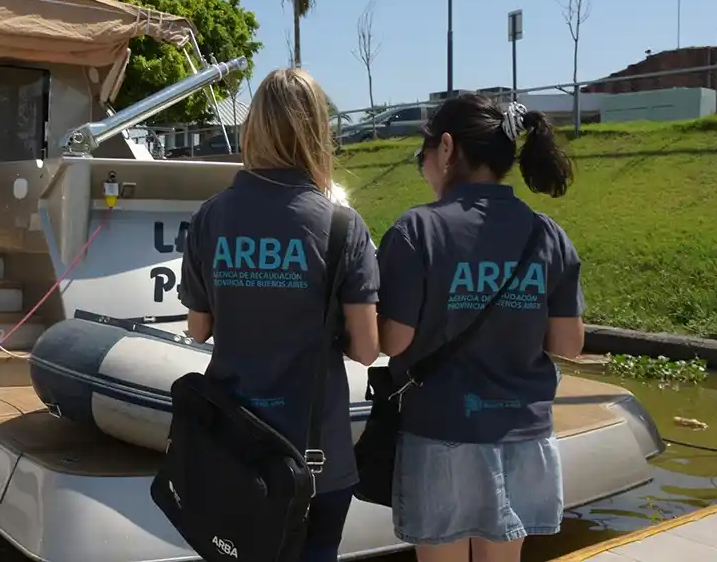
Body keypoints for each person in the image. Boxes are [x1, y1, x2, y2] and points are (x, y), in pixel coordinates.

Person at [178, 68, 382, 562]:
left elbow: (198, 328)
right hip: (315, 452)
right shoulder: (341, 224)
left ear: (254, 128)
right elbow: (368, 347)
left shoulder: (212, 215)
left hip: (233, 445)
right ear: (317, 131)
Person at [376, 95, 585, 562]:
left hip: (441, 430)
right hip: (524, 434)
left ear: (446, 149)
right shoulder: (546, 234)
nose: (424, 167)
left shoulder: (417, 230)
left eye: (422, 157)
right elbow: (569, 344)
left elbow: (394, 342)